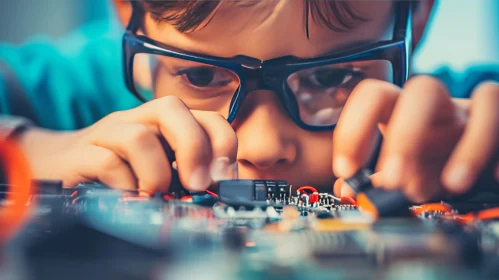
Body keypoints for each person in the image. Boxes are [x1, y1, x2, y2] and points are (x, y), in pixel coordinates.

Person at [0, 0, 498, 203]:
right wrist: (26, 148)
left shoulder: (467, 114)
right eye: (200, 74)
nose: (260, 147)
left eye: (331, 76)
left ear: (414, 19)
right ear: (129, 12)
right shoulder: (58, 88)